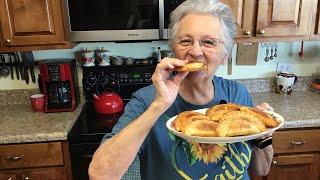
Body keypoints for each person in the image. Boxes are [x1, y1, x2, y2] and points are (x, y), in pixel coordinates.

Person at [88, 0, 274, 179]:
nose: (195, 51)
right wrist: (159, 105)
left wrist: (263, 134)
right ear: (173, 50)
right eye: (185, 41)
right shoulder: (147, 101)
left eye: (208, 42)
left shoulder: (237, 94)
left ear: (225, 55)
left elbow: (261, 169)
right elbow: (100, 174)